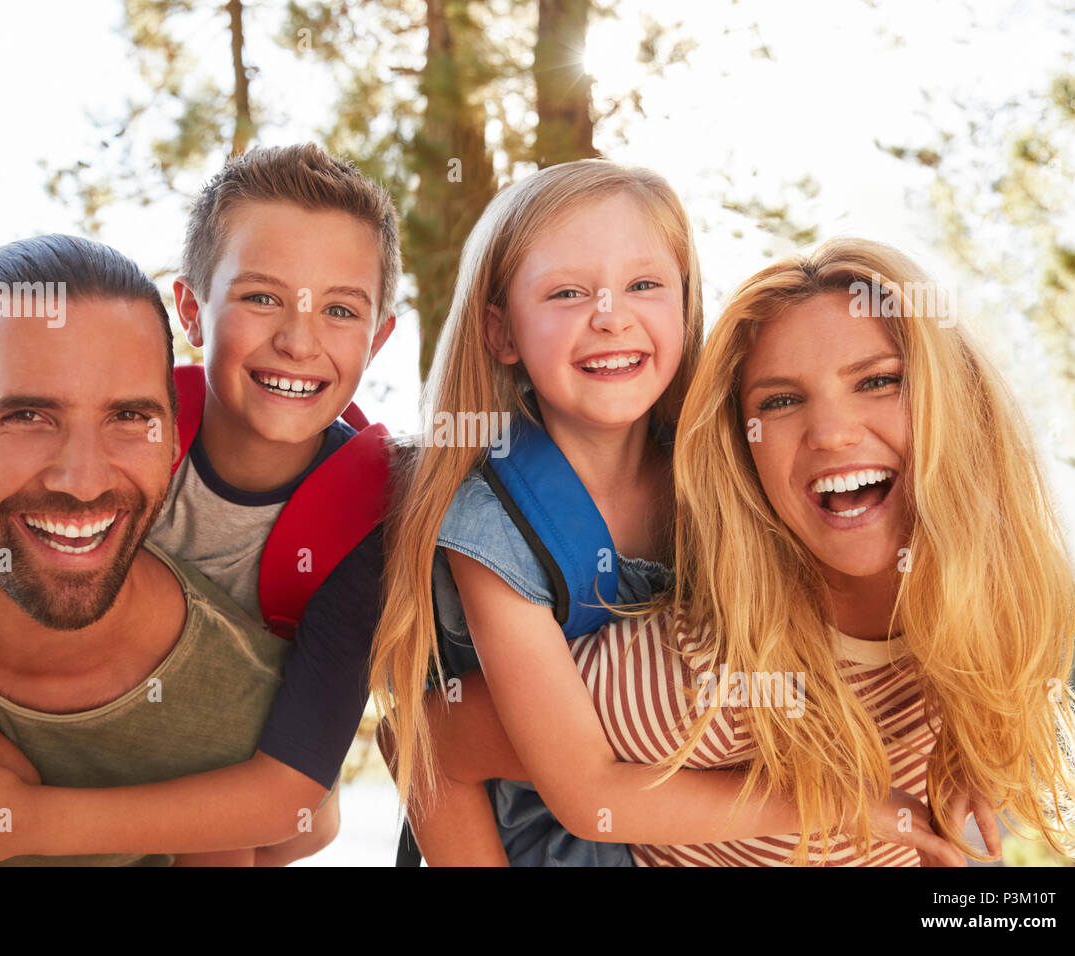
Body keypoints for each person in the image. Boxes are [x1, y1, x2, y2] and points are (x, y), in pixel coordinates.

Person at [369, 161, 979, 866]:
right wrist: (842, 802)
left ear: (687, 306)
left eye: (645, 285)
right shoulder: (490, 526)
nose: (610, 314)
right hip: (535, 838)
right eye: (568, 292)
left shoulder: (722, 465)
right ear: (502, 333)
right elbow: (585, 790)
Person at [0, 143, 400, 865]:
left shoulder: (366, 517)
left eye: (340, 310)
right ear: (192, 309)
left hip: (220, 755)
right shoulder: (115, 400)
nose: (298, 340)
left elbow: (292, 797)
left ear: (380, 338)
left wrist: (27, 821)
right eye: (260, 296)